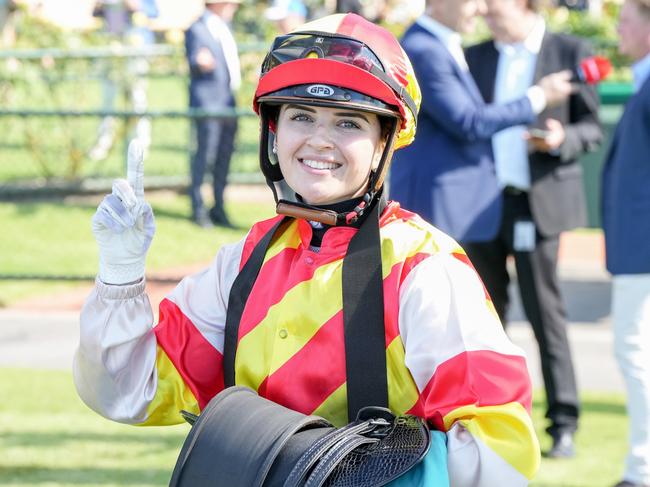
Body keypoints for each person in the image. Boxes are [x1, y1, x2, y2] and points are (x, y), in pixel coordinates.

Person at [74, 13, 541, 486]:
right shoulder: (242, 263)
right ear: (273, 132)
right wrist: (121, 273)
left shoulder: (425, 269)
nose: (319, 139)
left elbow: (499, 450)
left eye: (347, 122)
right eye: (301, 116)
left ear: (386, 141)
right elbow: (130, 393)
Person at [463, 0, 603, 458]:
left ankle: (563, 424)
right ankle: (484, 420)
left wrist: (563, 141)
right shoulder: (475, 56)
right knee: (481, 319)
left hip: (538, 206)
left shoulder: (570, 50)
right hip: (481, 206)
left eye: (494, 4)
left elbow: (592, 129)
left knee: (546, 317)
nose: (484, 10)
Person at [389, 0, 574, 243]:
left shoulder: (439, 43)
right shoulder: (424, 49)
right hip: (436, 206)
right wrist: (538, 97)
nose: (481, 8)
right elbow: (469, 122)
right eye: (471, 1)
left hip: (453, 204)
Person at [601, 1, 650, 485]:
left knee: (633, 350)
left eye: (627, 19)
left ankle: (641, 468)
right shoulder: (641, 80)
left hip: (644, 250)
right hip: (637, 248)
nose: (619, 29)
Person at [185, 0, 241, 228]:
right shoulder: (196, 28)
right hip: (208, 103)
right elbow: (195, 60)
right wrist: (199, 62)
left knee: (224, 157)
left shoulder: (224, 27)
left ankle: (218, 206)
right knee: (204, 156)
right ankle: (198, 208)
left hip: (227, 101)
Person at [89, 0, 159, 161]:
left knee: (137, 98)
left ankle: (142, 143)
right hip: (112, 47)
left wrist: (135, 5)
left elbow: (154, 11)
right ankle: (104, 141)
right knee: (108, 98)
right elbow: (95, 13)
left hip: (135, 48)